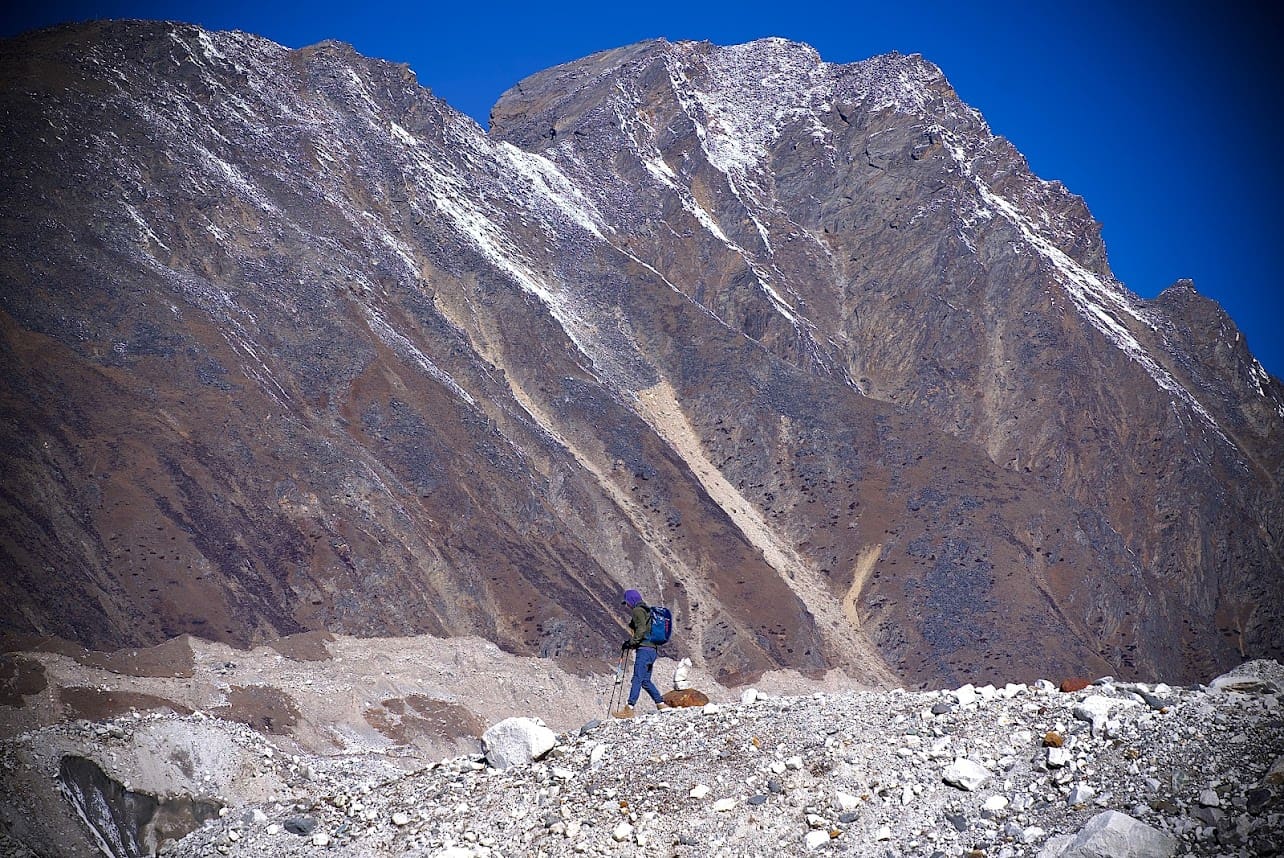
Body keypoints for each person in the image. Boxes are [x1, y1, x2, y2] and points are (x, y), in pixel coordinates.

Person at [613, 588, 668, 718]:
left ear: (631, 600)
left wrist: (631, 643)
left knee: (637, 678)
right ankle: (661, 704)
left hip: (644, 650)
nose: (627, 605)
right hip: (652, 650)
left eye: (627, 602)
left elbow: (641, 629)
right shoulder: (646, 611)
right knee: (645, 681)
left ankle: (629, 708)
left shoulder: (637, 611)